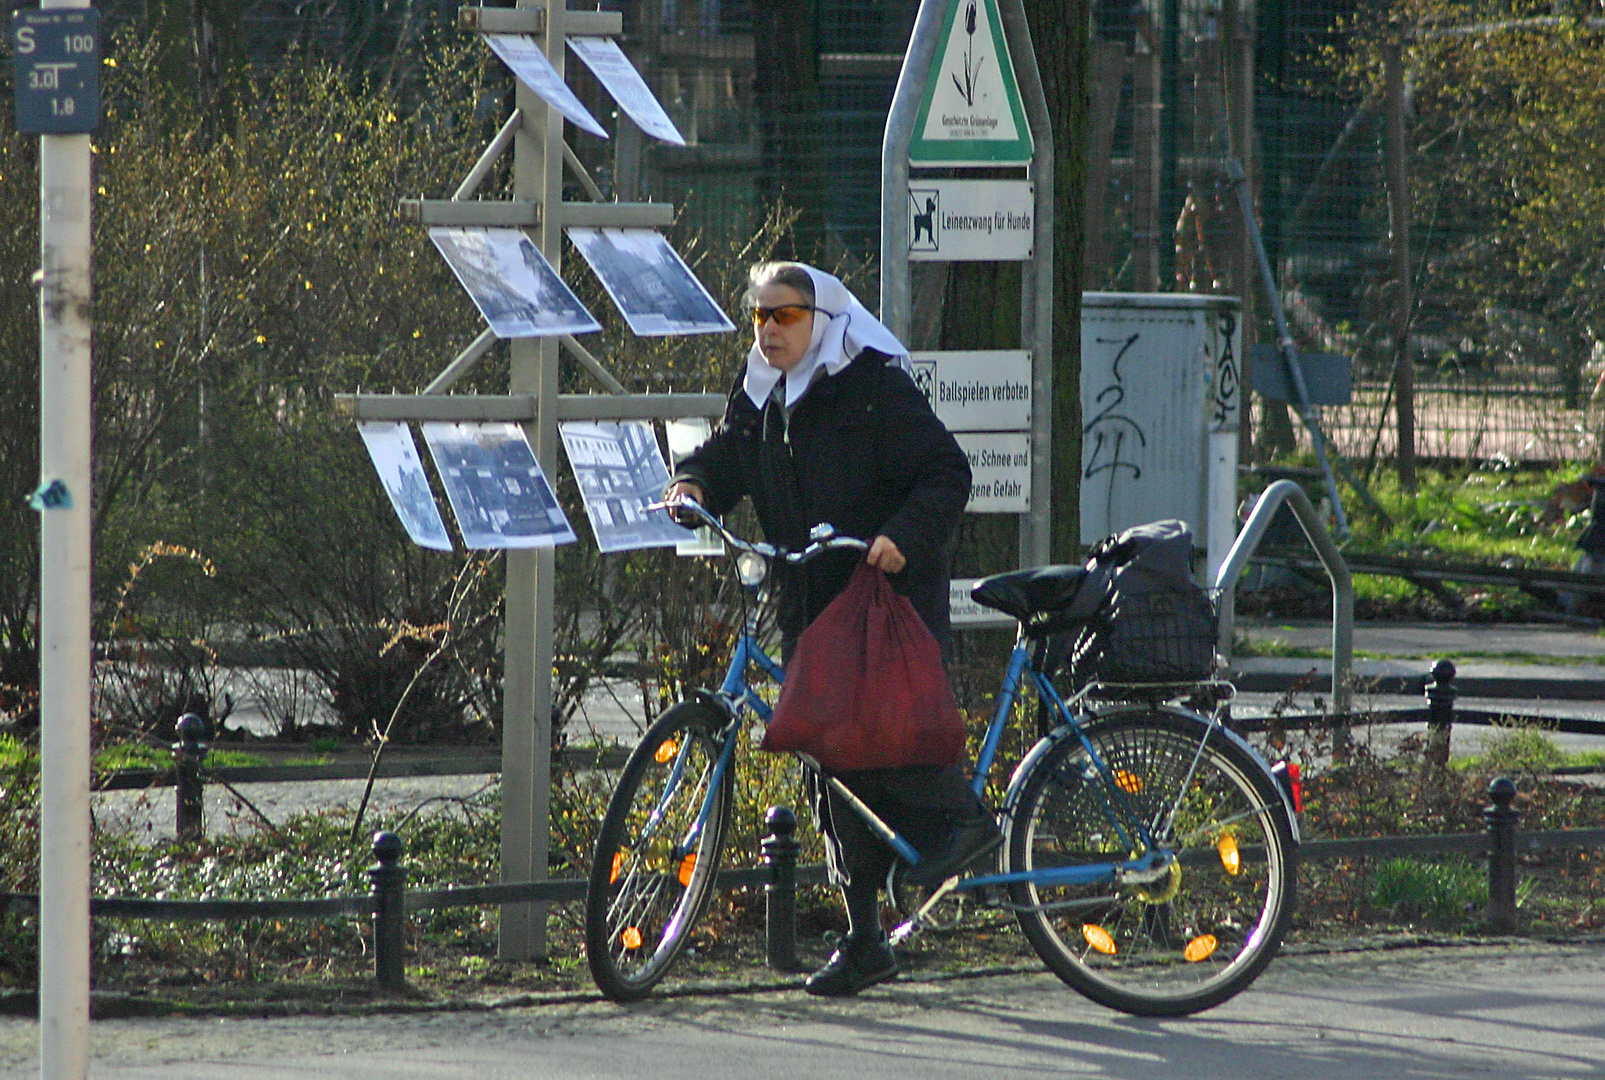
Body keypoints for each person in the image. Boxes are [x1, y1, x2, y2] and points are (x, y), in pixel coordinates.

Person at [667, 261, 1001, 997]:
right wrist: (692, 483)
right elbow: (729, 453)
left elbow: (944, 472)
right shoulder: (762, 393)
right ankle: (865, 939)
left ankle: (964, 823)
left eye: (784, 316)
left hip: (883, 600)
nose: (768, 331)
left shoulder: (874, 387)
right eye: (758, 317)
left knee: (881, 737)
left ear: (823, 320)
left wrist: (901, 536)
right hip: (809, 600)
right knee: (829, 766)